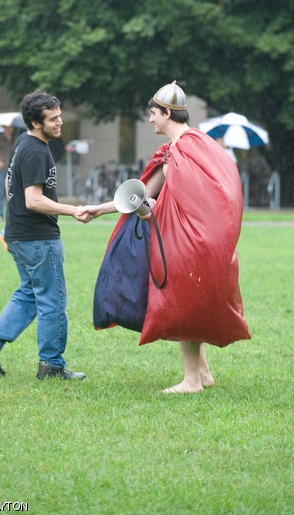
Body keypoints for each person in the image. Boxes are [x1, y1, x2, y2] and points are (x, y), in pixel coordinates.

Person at [87, 81, 250, 393]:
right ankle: (202, 374)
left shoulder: (188, 147)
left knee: (184, 302)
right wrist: (97, 209)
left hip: (192, 240)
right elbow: (142, 194)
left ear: (167, 113)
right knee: (190, 299)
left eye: (153, 113)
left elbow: (197, 200)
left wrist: (156, 212)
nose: (150, 120)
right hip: (187, 238)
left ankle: (191, 381)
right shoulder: (179, 149)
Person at [0, 91, 92, 381]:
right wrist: (72, 210)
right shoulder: (35, 149)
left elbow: (12, 182)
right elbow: (33, 199)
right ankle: (51, 365)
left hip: (19, 235)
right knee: (53, 301)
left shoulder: (25, 143)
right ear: (36, 123)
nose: (60, 122)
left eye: (60, 115)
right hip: (37, 239)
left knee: (29, 295)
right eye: (53, 119)